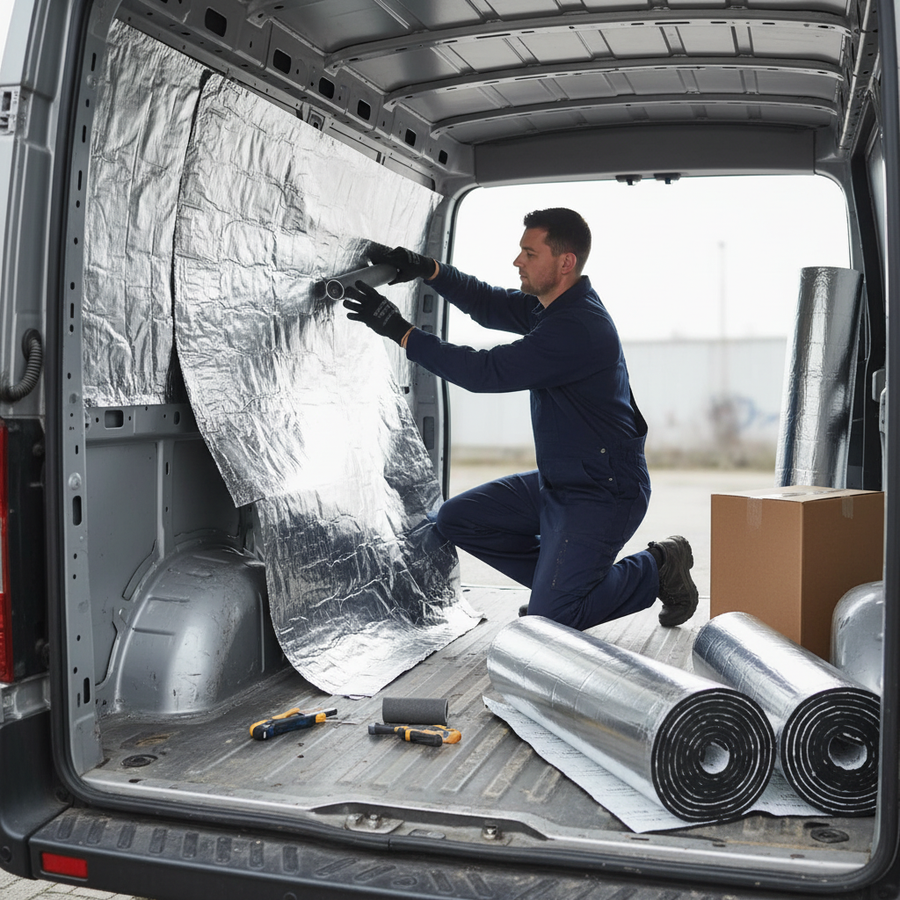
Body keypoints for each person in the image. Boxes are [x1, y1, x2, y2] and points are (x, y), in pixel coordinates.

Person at [342, 208, 698, 631]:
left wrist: (402, 332)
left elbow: (485, 372)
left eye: (529, 253)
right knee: (458, 519)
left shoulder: (578, 327)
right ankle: (560, 588)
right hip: (560, 480)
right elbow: (487, 302)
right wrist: (427, 269)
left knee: (558, 618)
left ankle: (658, 566)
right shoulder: (551, 306)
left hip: (603, 490)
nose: (518, 261)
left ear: (565, 263)